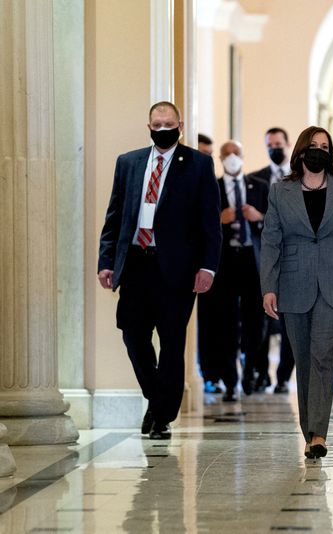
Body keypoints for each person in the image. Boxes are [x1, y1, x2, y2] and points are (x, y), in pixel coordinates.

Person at [97, 101, 221, 439]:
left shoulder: (198, 165)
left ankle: (162, 416)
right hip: (136, 263)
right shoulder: (129, 163)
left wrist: (208, 267)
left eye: (169, 124)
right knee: (133, 335)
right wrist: (106, 261)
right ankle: (157, 397)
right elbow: (115, 217)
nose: (162, 129)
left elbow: (210, 222)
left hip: (177, 269)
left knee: (171, 342)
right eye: (157, 124)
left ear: (179, 125)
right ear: (149, 126)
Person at [261, 125, 333, 459]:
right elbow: (271, 240)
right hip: (293, 285)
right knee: (303, 357)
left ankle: (319, 433)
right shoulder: (281, 192)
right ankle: (310, 430)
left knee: (323, 355)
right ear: (301, 151)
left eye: (325, 146)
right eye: (313, 145)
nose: (318, 150)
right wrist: (268, 287)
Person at [197, 140, 269, 402]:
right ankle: (229, 379)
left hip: (253, 259)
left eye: (235, 153)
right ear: (219, 158)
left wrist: (259, 216)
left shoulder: (260, 187)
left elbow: (277, 222)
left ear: (243, 155)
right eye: (226, 154)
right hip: (225, 262)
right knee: (225, 323)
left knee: (256, 321)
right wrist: (219, 219)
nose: (231, 158)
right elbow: (199, 221)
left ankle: (251, 371)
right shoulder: (211, 188)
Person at [249, 127, 295, 394]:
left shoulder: (299, 179)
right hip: (263, 259)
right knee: (261, 321)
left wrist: (262, 217)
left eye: (278, 144)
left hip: (291, 260)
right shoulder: (256, 179)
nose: (274, 148)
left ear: (287, 145)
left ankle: (283, 376)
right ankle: (260, 372)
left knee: (290, 323)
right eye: (270, 144)